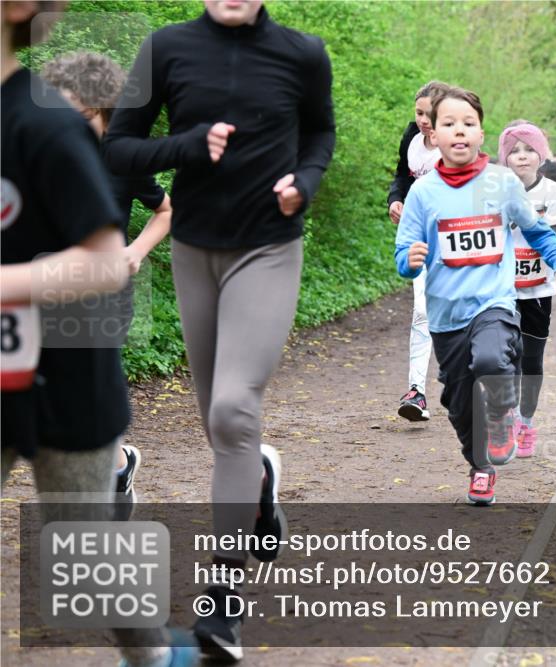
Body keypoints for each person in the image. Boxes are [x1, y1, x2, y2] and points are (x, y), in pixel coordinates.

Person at [104, 0, 335, 660]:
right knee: (220, 424)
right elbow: (119, 146)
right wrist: (187, 145)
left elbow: (320, 134)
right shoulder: (164, 48)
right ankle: (257, 478)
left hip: (268, 247)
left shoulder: (302, 53)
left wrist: (307, 182)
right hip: (195, 249)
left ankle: (223, 603)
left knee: (234, 411)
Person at [1, 2, 196, 666]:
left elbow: (109, 255)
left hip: (74, 358)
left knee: (82, 554)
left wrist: (131, 253)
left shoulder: (50, 131)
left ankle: (156, 653)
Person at [394, 87, 556, 505]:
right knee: (458, 403)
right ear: (432, 135)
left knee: (493, 359)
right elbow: (404, 253)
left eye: (468, 124)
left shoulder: (501, 182)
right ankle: (481, 467)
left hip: (493, 303)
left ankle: (501, 415)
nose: (459, 131)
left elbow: (537, 231)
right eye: (449, 124)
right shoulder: (422, 194)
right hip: (445, 315)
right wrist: (411, 258)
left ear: (481, 134)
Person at [41, 50, 175, 520]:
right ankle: (118, 463)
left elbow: (165, 211)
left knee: (87, 389)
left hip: (104, 291)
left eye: (81, 108)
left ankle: (108, 468)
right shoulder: (42, 150)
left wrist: (135, 252)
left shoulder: (123, 158)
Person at [497, 120, 556, 458]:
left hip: (538, 288)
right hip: (501, 288)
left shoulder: (552, 192)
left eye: (529, 150)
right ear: (505, 157)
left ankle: (526, 421)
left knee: (531, 360)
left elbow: (549, 238)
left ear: (541, 155)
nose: (522, 157)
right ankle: (508, 415)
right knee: (503, 355)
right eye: (515, 151)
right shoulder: (494, 189)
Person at [387, 80, 450, 422]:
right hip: (419, 240)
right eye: (419, 112)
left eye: (430, 114)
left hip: (455, 242)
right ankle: (416, 392)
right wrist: (396, 199)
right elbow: (402, 176)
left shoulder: (455, 141)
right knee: (422, 313)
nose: (424, 120)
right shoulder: (412, 138)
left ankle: (463, 381)